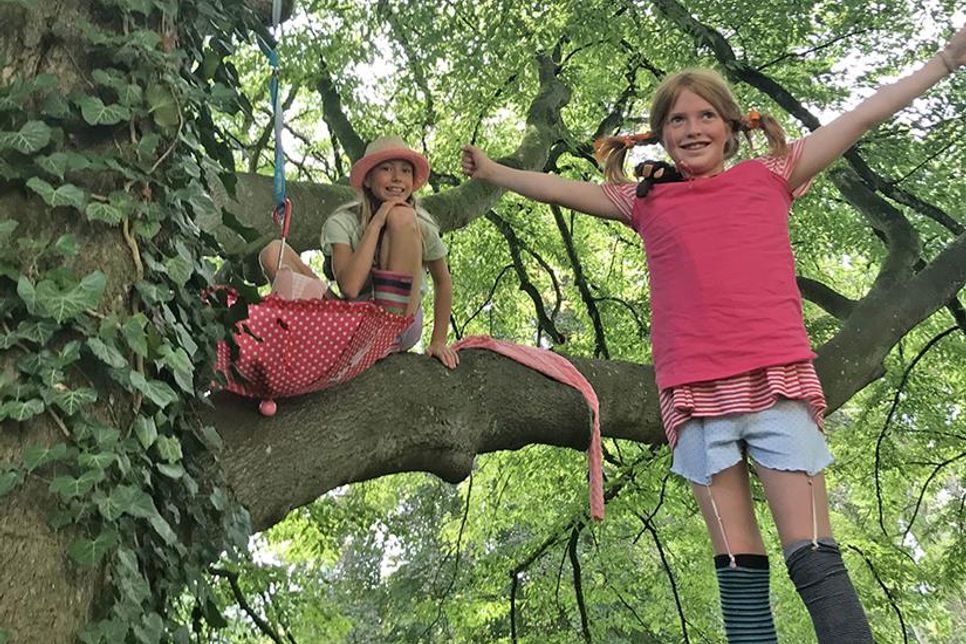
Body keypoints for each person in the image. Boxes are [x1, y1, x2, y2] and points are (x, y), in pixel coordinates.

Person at [462, 28, 964, 643]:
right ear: (662, 134)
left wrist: (945, 61)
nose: (692, 128)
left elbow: (862, 115)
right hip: (696, 397)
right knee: (738, 569)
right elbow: (559, 189)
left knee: (814, 557)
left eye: (705, 116)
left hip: (776, 381)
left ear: (730, 128)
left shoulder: (772, 174)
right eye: (677, 119)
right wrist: (494, 171)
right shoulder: (644, 202)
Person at [261, 135, 459, 369]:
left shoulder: (420, 224)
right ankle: (307, 343)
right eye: (386, 168)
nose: (397, 177)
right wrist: (376, 223)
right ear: (367, 179)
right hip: (351, 323)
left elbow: (443, 282)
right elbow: (351, 288)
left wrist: (438, 341)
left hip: (400, 322)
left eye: (405, 171)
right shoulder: (343, 222)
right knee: (273, 252)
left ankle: (382, 335)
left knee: (401, 217)